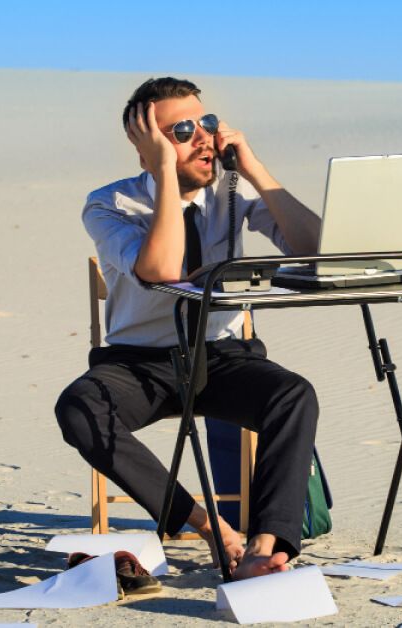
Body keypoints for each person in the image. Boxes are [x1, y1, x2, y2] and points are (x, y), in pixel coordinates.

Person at [54, 77, 322, 580]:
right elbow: (161, 271)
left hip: (219, 356)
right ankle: (209, 527)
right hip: (140, 363)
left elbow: (314, 253)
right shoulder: (109, 203)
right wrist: (166, 181)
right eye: (182, 130)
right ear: (148, 149)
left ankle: (267, 544)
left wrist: (256, 170)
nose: (204, 138)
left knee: (294, 395)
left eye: (208, 124)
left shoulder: (231, 189)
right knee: (79, 409)